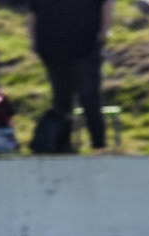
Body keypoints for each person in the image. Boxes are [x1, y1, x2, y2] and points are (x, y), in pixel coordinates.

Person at [27, 0, 113, 152]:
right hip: (52, 47)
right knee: (61, 99)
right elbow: (33, 12)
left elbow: (106, 3)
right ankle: (62, 144)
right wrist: (33, 40)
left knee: (89, 96)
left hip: (86, 45)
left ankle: (98, 143)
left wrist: (104, 29)